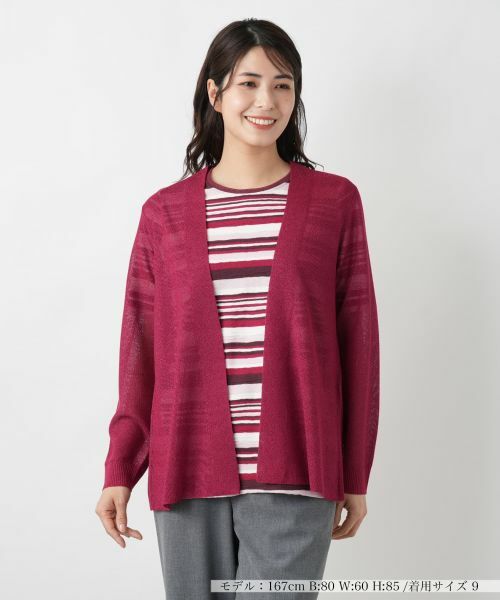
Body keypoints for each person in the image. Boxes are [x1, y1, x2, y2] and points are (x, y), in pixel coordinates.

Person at [95, 18, 380, 600]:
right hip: (187, 468)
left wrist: (354, 471)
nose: (266, 101)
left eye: (282, 85)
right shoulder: (164, 216)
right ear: (215, 92)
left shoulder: (334, 203)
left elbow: (359, 346)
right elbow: (140, 355)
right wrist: (120, 468)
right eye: (248, 83)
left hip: (297, 470)